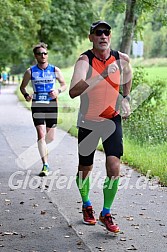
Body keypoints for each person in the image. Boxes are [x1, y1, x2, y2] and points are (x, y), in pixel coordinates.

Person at [69, 20, 132, 233]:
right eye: (98, 33)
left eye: (106, 32)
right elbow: (73, 91)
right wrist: (102, 75)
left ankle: (106, 212)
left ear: (110, 36)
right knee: (85, 168)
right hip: (88, 119)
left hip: (111, 119)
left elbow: (127, 75)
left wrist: (125, 97)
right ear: (91, 37)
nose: (103, 36)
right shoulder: (84, 61)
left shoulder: (121, 58)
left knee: (114, 166)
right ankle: (86, 204)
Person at [20, 42, 67, 176]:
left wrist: (57, 91)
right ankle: (45, 165)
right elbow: (22, 87)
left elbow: (64, 85)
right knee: (41, 135)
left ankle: (42, 146)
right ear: (36, 56)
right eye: (40, 54)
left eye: (45, 53)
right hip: (37, 105)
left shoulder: (54, 70)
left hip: (52, 104)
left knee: (50, 138)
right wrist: (26, 95)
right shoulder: (30, 71)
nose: (43, 56)